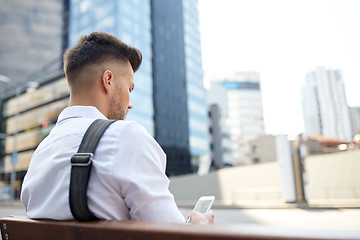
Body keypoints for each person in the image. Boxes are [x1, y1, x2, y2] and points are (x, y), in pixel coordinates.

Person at [20, 32, 214, 224]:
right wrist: (201, 227)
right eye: (130, 89)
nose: (130, 104)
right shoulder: (125, 137)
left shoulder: (40, 155)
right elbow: (172, 234)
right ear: (108, 81)